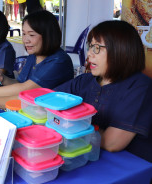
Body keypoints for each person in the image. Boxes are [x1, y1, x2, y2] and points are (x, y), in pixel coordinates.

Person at [54, 20, 152, 162]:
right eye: (90, 46)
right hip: (85, 156)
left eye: (97, 48)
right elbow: (50, 101)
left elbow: (112, 143)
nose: (89, 54)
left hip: (128, 166)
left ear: (121, 50)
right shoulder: (84, 81)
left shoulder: (140, 87)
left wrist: (69, 123)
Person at [0, 10, 74, 108]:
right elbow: (20, 83)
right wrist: (3, 79)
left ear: (48, 35)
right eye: (24, 34)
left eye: (31, 35)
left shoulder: (59, 61)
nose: (26, 40)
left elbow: (25, 90)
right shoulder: (34, 55)